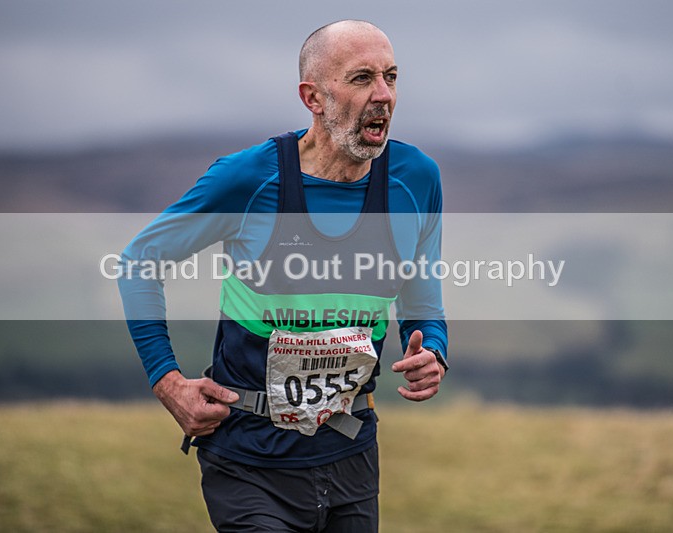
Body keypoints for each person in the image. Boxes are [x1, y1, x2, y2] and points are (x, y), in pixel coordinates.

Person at [119, 19, 448, 532]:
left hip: (352, 450)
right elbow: (139, 262)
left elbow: (423, 300)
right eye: (362, 78)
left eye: (391, 76)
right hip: (250, 459)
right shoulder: (248, 179)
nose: (383, 94)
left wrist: (433, 349)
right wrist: (168, 382)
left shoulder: (416, 180)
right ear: (312, 97)